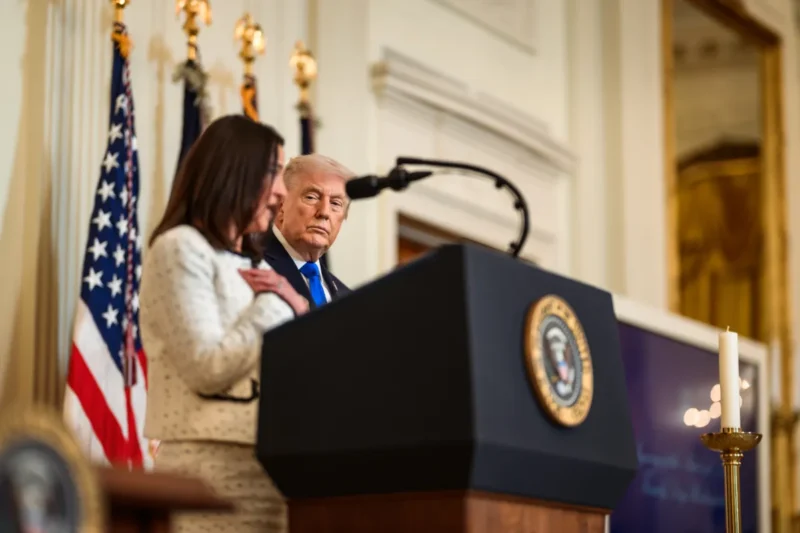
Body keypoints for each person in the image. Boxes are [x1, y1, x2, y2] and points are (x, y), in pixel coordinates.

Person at [139, 115, 307, 533]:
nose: (282, 192)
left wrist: (300, 311)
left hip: (272, 472)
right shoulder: (180, 248)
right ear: (235, 171)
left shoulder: (258, 270)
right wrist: (276, 304)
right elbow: (207, 365)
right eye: (274, 172)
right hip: (206, 474)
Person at [263, 154, 352, 307]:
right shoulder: (253, 264)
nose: (324, 212)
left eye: (336, 203)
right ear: (280, 204)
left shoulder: (348, 300)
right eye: (311, 197)